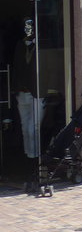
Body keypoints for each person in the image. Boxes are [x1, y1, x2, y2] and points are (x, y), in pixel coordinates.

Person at [10, 18, 43, 159]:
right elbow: (15, 67)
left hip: (37, 93)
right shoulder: (20, 45)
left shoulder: (42, 45)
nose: (28, 29)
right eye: (26, 27)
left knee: (33, 127)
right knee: (25, 127)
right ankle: (28, 156)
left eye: (30, 26)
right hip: (21, 93)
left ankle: (36, 157)